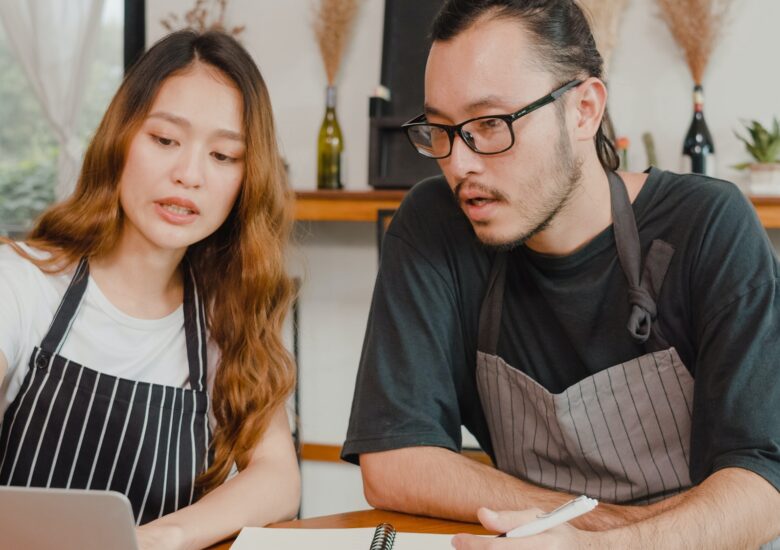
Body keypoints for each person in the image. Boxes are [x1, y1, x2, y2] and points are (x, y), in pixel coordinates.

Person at [341, 0, 780, 548]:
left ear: (583, 110)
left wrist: (596, 546)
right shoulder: (434, 227)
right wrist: (588, 523)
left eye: (490, 124)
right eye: (441, 129)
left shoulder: (708, 225)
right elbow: (394, 462)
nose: (460, 164)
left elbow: (763, 487)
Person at [0, 30, 300, 549]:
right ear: (120, 139)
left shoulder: (223, 319)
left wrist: (158, 539)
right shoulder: (20, 285)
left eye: (224, 156)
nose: (189, 175)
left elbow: (278, 477)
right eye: (165, 140)